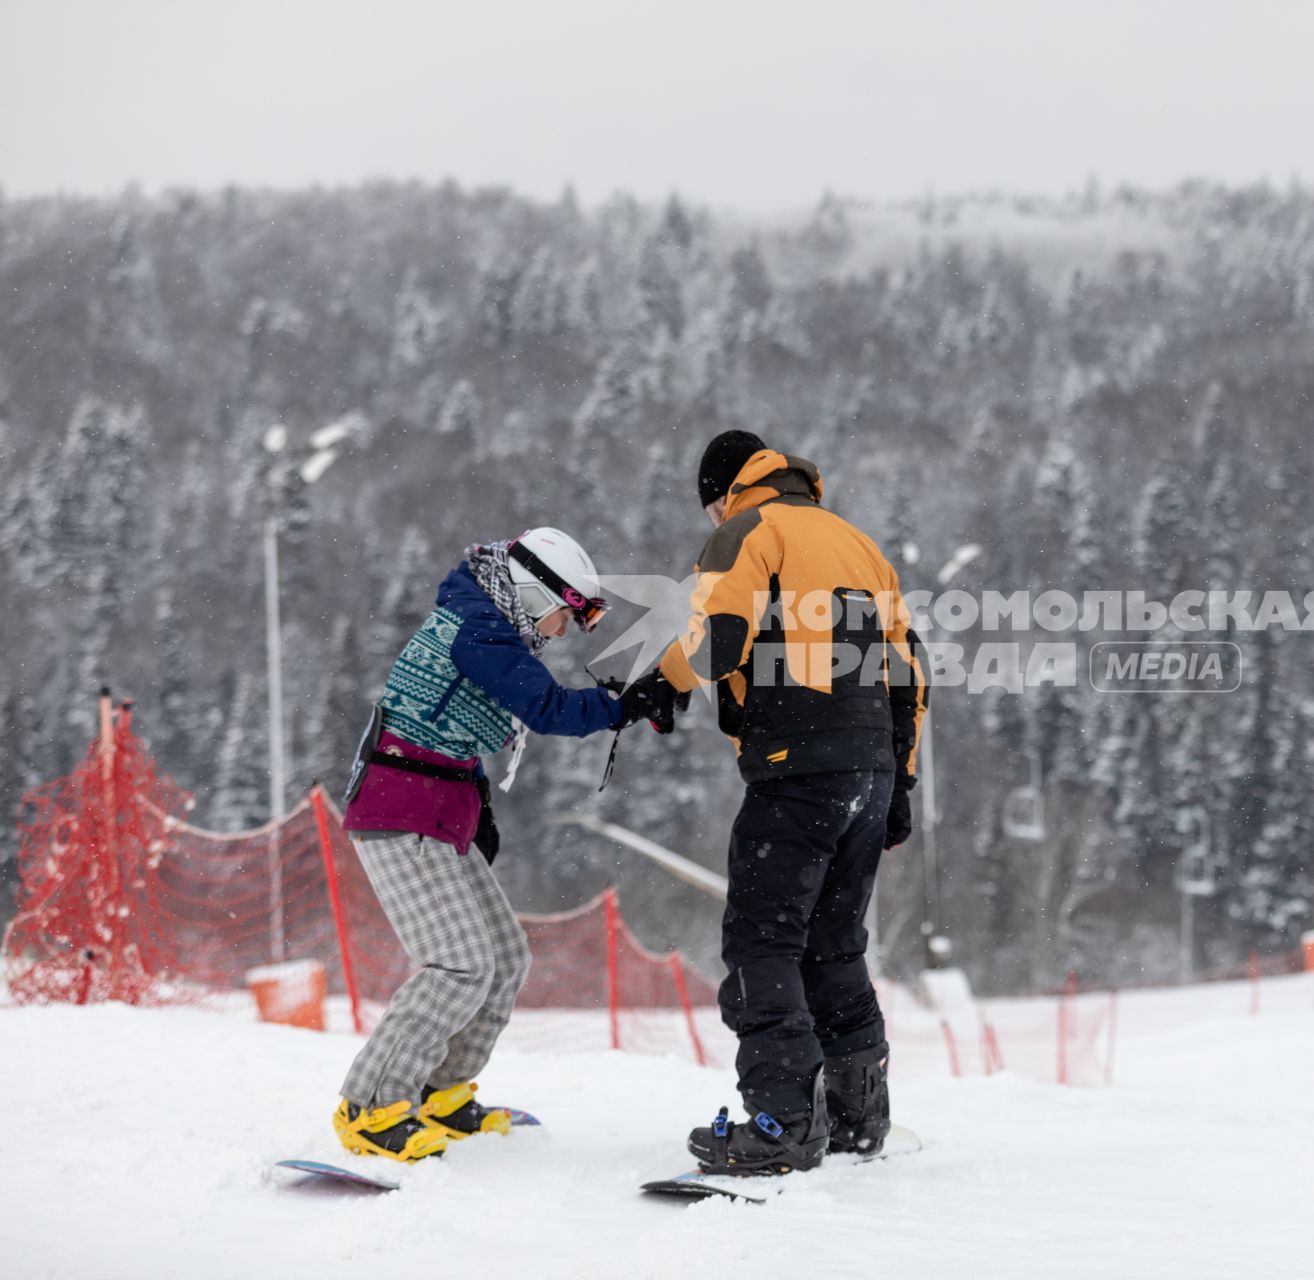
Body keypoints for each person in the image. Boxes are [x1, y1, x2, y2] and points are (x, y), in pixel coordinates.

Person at [624, 430, 929, 1175]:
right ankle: (859, 1119)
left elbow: (718, 639)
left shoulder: (747, 530)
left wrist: (660, 680)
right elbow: (909, 673)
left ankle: (782, 1122)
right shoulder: (859, 544)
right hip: (869, 771)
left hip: (797, 770)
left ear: (724, 491)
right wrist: (902, 780)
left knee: (763, 944)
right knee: (835, 942)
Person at [332, 528, 659, 1163]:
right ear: (538, 592)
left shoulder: (485, 621)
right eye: (571, 614)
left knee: (504, 957)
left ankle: (438, 1093)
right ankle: (370, 1109)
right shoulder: (475, 625)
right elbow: (546, 707)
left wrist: (476, 797)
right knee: (459, 963)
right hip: (401, 810)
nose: (567, 632)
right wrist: (626, 705)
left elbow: (445, 720)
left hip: (437, 807)